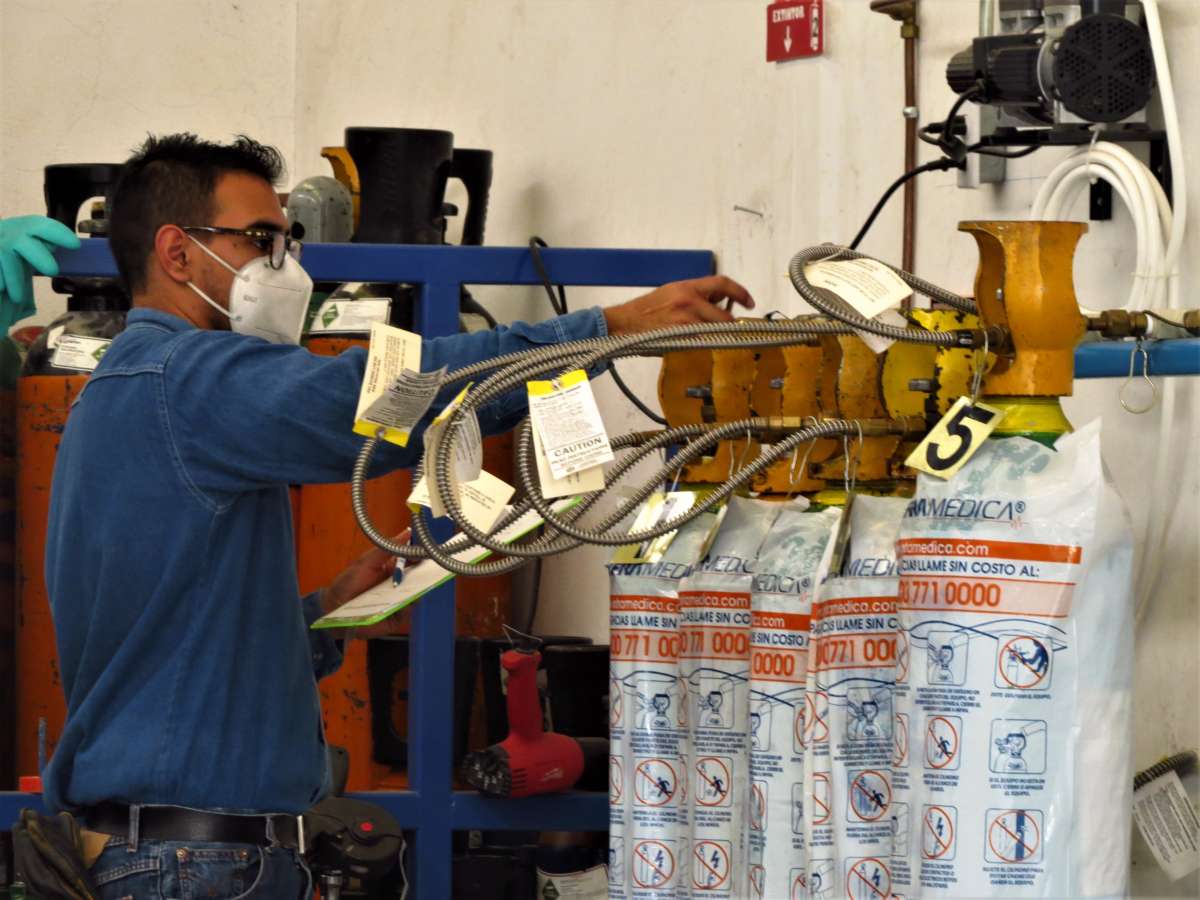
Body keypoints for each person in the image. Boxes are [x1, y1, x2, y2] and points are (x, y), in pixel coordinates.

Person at [43, 133, 753, 898]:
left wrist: (323, 612)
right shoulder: (190, 378)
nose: (285, 265)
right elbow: (386, 401)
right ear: (177, 254)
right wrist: (605, 330)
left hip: (173, 849)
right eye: (261, 240)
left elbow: (159, 636)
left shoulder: (114, 392)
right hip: (198, 863)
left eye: (289, 239)